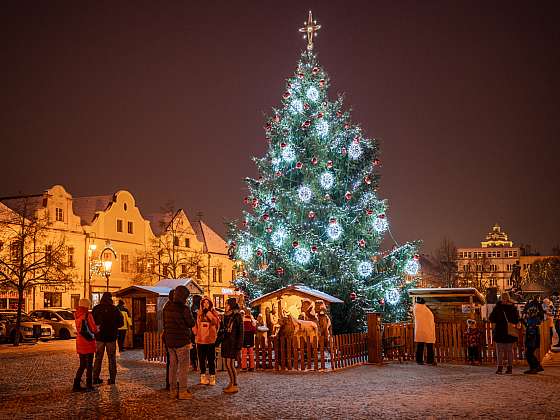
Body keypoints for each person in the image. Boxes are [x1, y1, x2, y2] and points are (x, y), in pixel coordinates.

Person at [163, 285, 195, 399]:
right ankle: (182, 391)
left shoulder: (166, 306)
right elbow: (191, 323)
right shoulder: (184, 308)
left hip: (170, 342)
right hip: (182, 341)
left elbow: (165, 324)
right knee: (183, 368)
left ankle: (172, 391)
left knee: (172, 366)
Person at [92, 292, 124, 385]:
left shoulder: (96, 308)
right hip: (111, 337)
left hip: (99, 337)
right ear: (110, 298)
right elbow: (121, 323)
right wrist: (113, 326)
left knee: (98, 358)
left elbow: (92, 322)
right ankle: (112, 379)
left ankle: (95, 378)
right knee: (112, 358)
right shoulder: (115, 309)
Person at [489, 292, 520, 374]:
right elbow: (516, 319)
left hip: (500, 331)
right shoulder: (513, 307)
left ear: (501, 298)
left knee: (499, 351)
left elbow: (491, 318)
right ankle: (510, 368)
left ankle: (500, 368)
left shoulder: (498, 307)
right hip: (510, 331)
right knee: (510, 351)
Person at [73, 298, 98, 392]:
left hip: (80, 341)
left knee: (82, 364)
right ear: (87, 305)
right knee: (89, 365)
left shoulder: (77, 315)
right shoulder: (88, 315)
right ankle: (89, 385)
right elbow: (94, 329)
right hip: (88, 342)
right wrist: (97, 329)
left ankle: (76, 384)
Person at [194, 296, 220, 386]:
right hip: (200, 340)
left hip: (210, 340)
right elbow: (195, 325)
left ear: (210, 304)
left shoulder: (213, 312)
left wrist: (208, 313)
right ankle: (203, 377)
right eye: (204, 303)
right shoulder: (199, 313)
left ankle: (212, 377)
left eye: (207, 303)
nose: (205, 304)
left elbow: (215, 322)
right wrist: (196, 333)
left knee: (211, 359)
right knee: (201, 360)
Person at [220, 297, 243, 394]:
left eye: (227, 304)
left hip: (233, 342)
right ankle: (231, 382)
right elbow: (223, 329)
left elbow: (240, 332)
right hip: (226, 341)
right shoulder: (225, 316)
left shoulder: (237, 316)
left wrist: (239, 345)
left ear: (231, 305)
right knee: (226, 364)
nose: (225, 306)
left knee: (230, 364)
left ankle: (235, 385)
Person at [522, 297, 544, 374]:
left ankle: (534, 367)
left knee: (529, 353)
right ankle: (537, 366)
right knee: (529, 353)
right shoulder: (536, 316)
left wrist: (524, 322)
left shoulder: (532, 317)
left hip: (532, 335)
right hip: (534, 334)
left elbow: (530, 325)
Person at [413, 297, 436, 366]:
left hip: (419, 329)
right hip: (428, 329)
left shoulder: (416, 308)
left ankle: (419, 360)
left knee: (420, 345)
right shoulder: (425, 308)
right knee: (429, 346)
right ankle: (430, 361)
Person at [163, 288, 175, 391]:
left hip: (168, 336)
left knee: (170, 362)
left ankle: (169, 382)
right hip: (174, 338)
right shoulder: (174, 307)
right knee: (173, 362)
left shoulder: (166, 306)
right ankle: (172, 382)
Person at [190, 294, 202, 372]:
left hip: (193, 330)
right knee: (195, 348)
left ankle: (195, 364)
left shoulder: (193, 308)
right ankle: (195, 364)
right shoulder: (196, 308)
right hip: (196, 330)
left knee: (193, 348)